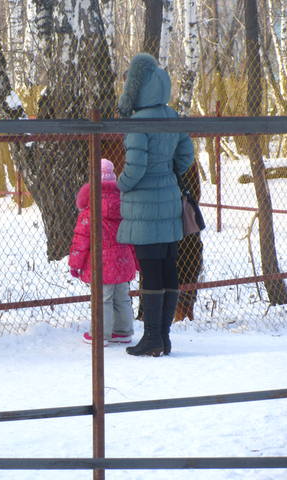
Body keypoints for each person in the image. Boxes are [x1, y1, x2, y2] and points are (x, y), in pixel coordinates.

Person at [116, 52, 195, 357]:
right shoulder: (172, 116)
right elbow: (186, 156)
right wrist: (168, 173)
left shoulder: (138, 122)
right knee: (167, 267)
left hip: (144, 207)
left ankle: (151, 339)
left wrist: (119, 186)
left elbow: (134, 169)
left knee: (150, 271)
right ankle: (163, 337)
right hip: (169, 202)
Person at [69, 158, 139, 346]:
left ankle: (100, 335)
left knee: (102, 298)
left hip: (102, 262)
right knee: (122, 297)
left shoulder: (89, 212)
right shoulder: (125, 206)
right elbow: (132, 236)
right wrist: (136, 260)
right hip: (123, 259)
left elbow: (81, 241)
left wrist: (75, 264)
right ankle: (123, 331)